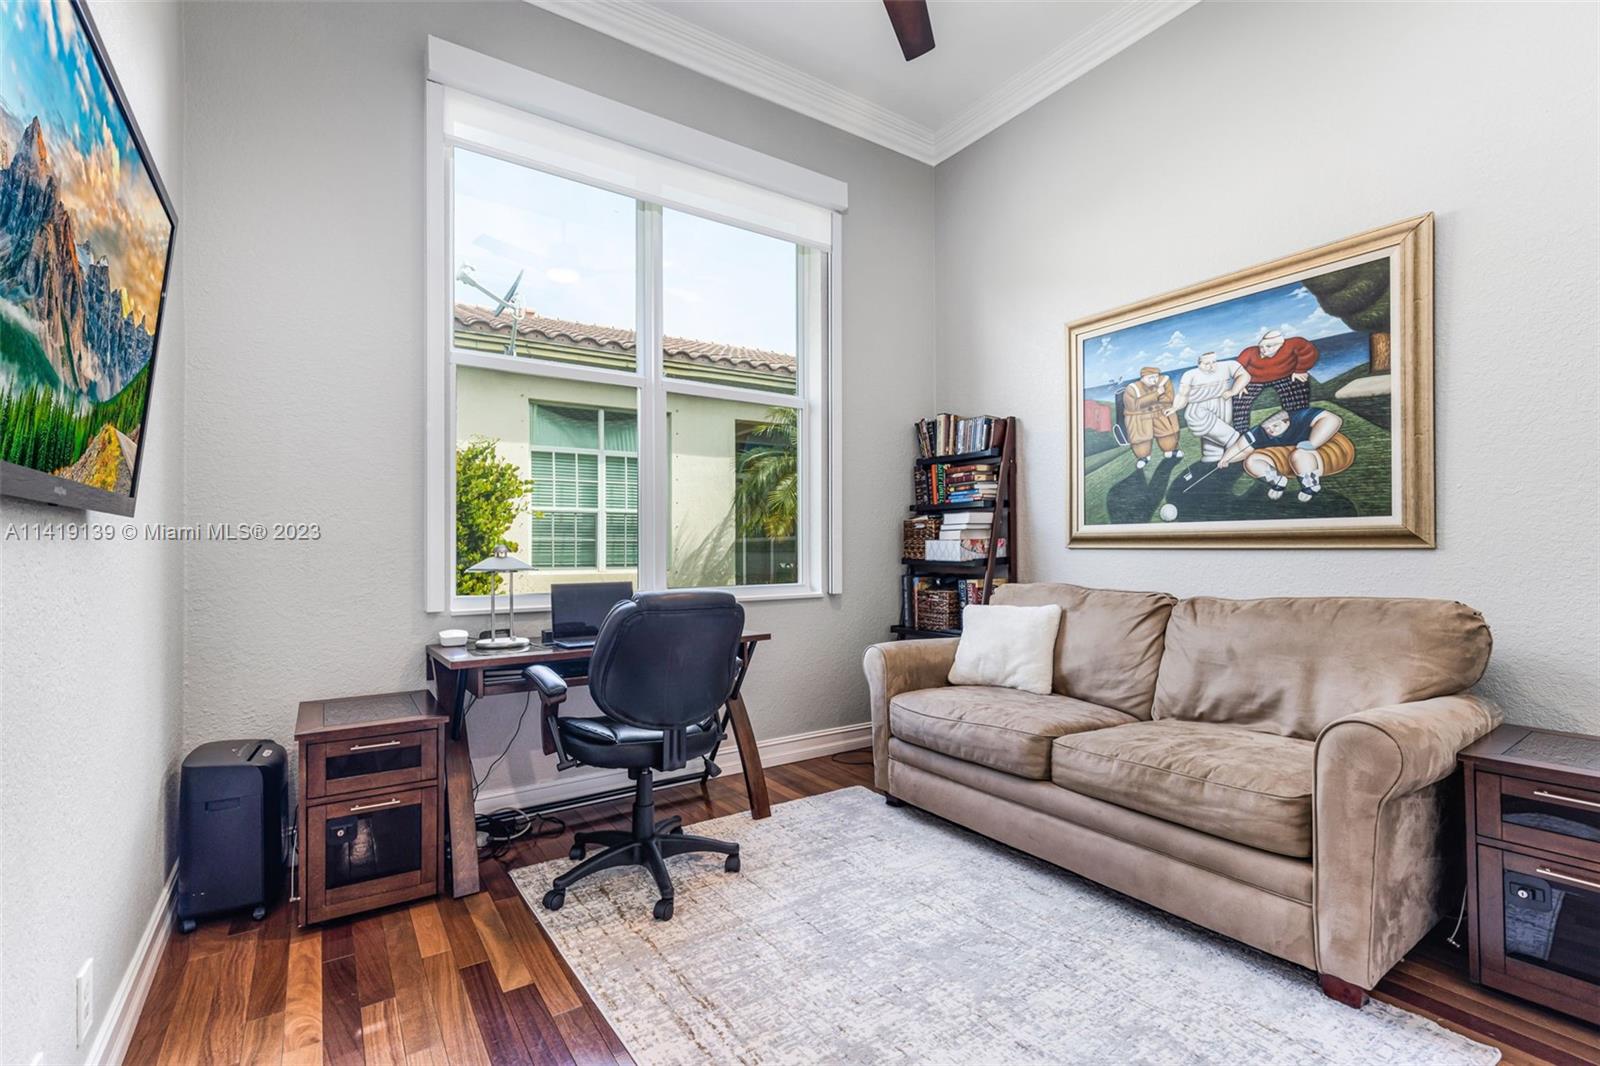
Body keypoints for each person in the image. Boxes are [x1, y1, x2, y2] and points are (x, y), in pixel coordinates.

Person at [1217, 406, 1346, 501]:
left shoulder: (1300, 417)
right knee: (1251, 460)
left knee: (1300, 454)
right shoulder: (1260, 432)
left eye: (1275, 426)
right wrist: (1226, 458)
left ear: (1286, 422)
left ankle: (1310, 485)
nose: (1270, 431)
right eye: (1267, 428)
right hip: (1284, 455)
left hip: (1313, 450)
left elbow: (1332, 419)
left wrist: (1313, 443)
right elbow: (1242, 447)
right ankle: (1278, 481)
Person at [1167, 351, 1250, 462]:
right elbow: (1183, 394)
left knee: (1222, 424)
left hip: (1223, 401)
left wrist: (1234, 390)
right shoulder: (1190, 375)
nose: (1212, 366)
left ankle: (1215, 454)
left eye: (1214, 362)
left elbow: (1244, 375)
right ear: (1199, 364)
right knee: (1198, 420)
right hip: (1198, 405)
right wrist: (1175, 408)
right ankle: (1236, 443)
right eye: (1207, 364)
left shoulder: (1228, 365)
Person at [1231, 330, 1319, 433]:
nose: (1263, 350)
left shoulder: (1295, 343)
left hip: (1285, 375)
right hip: (1254, 380)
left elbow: (1309, 352)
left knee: (1298, 393)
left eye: (1268, 347)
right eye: (1261, 347)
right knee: (1240, 398)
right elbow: (1236, 369)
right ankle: (1241, 434)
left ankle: (1296, 428)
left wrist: (1300, 370)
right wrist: (1240, 384)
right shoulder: (1249, 352)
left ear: (1280, 345)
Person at [1120, 367, 1180, 469]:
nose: (1154, 380)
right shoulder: (1132, 388)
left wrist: (1155, 399)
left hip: (1159, 412)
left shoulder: (1164, 381)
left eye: (1156, 377)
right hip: (1140, 417)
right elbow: (1133, 406)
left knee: (1167, 432)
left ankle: (1170, 451)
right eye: (1150, 377)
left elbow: (1168, 398)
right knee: (1141, 438)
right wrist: (1156, 394)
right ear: (1143, 377)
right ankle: (1143, 458)